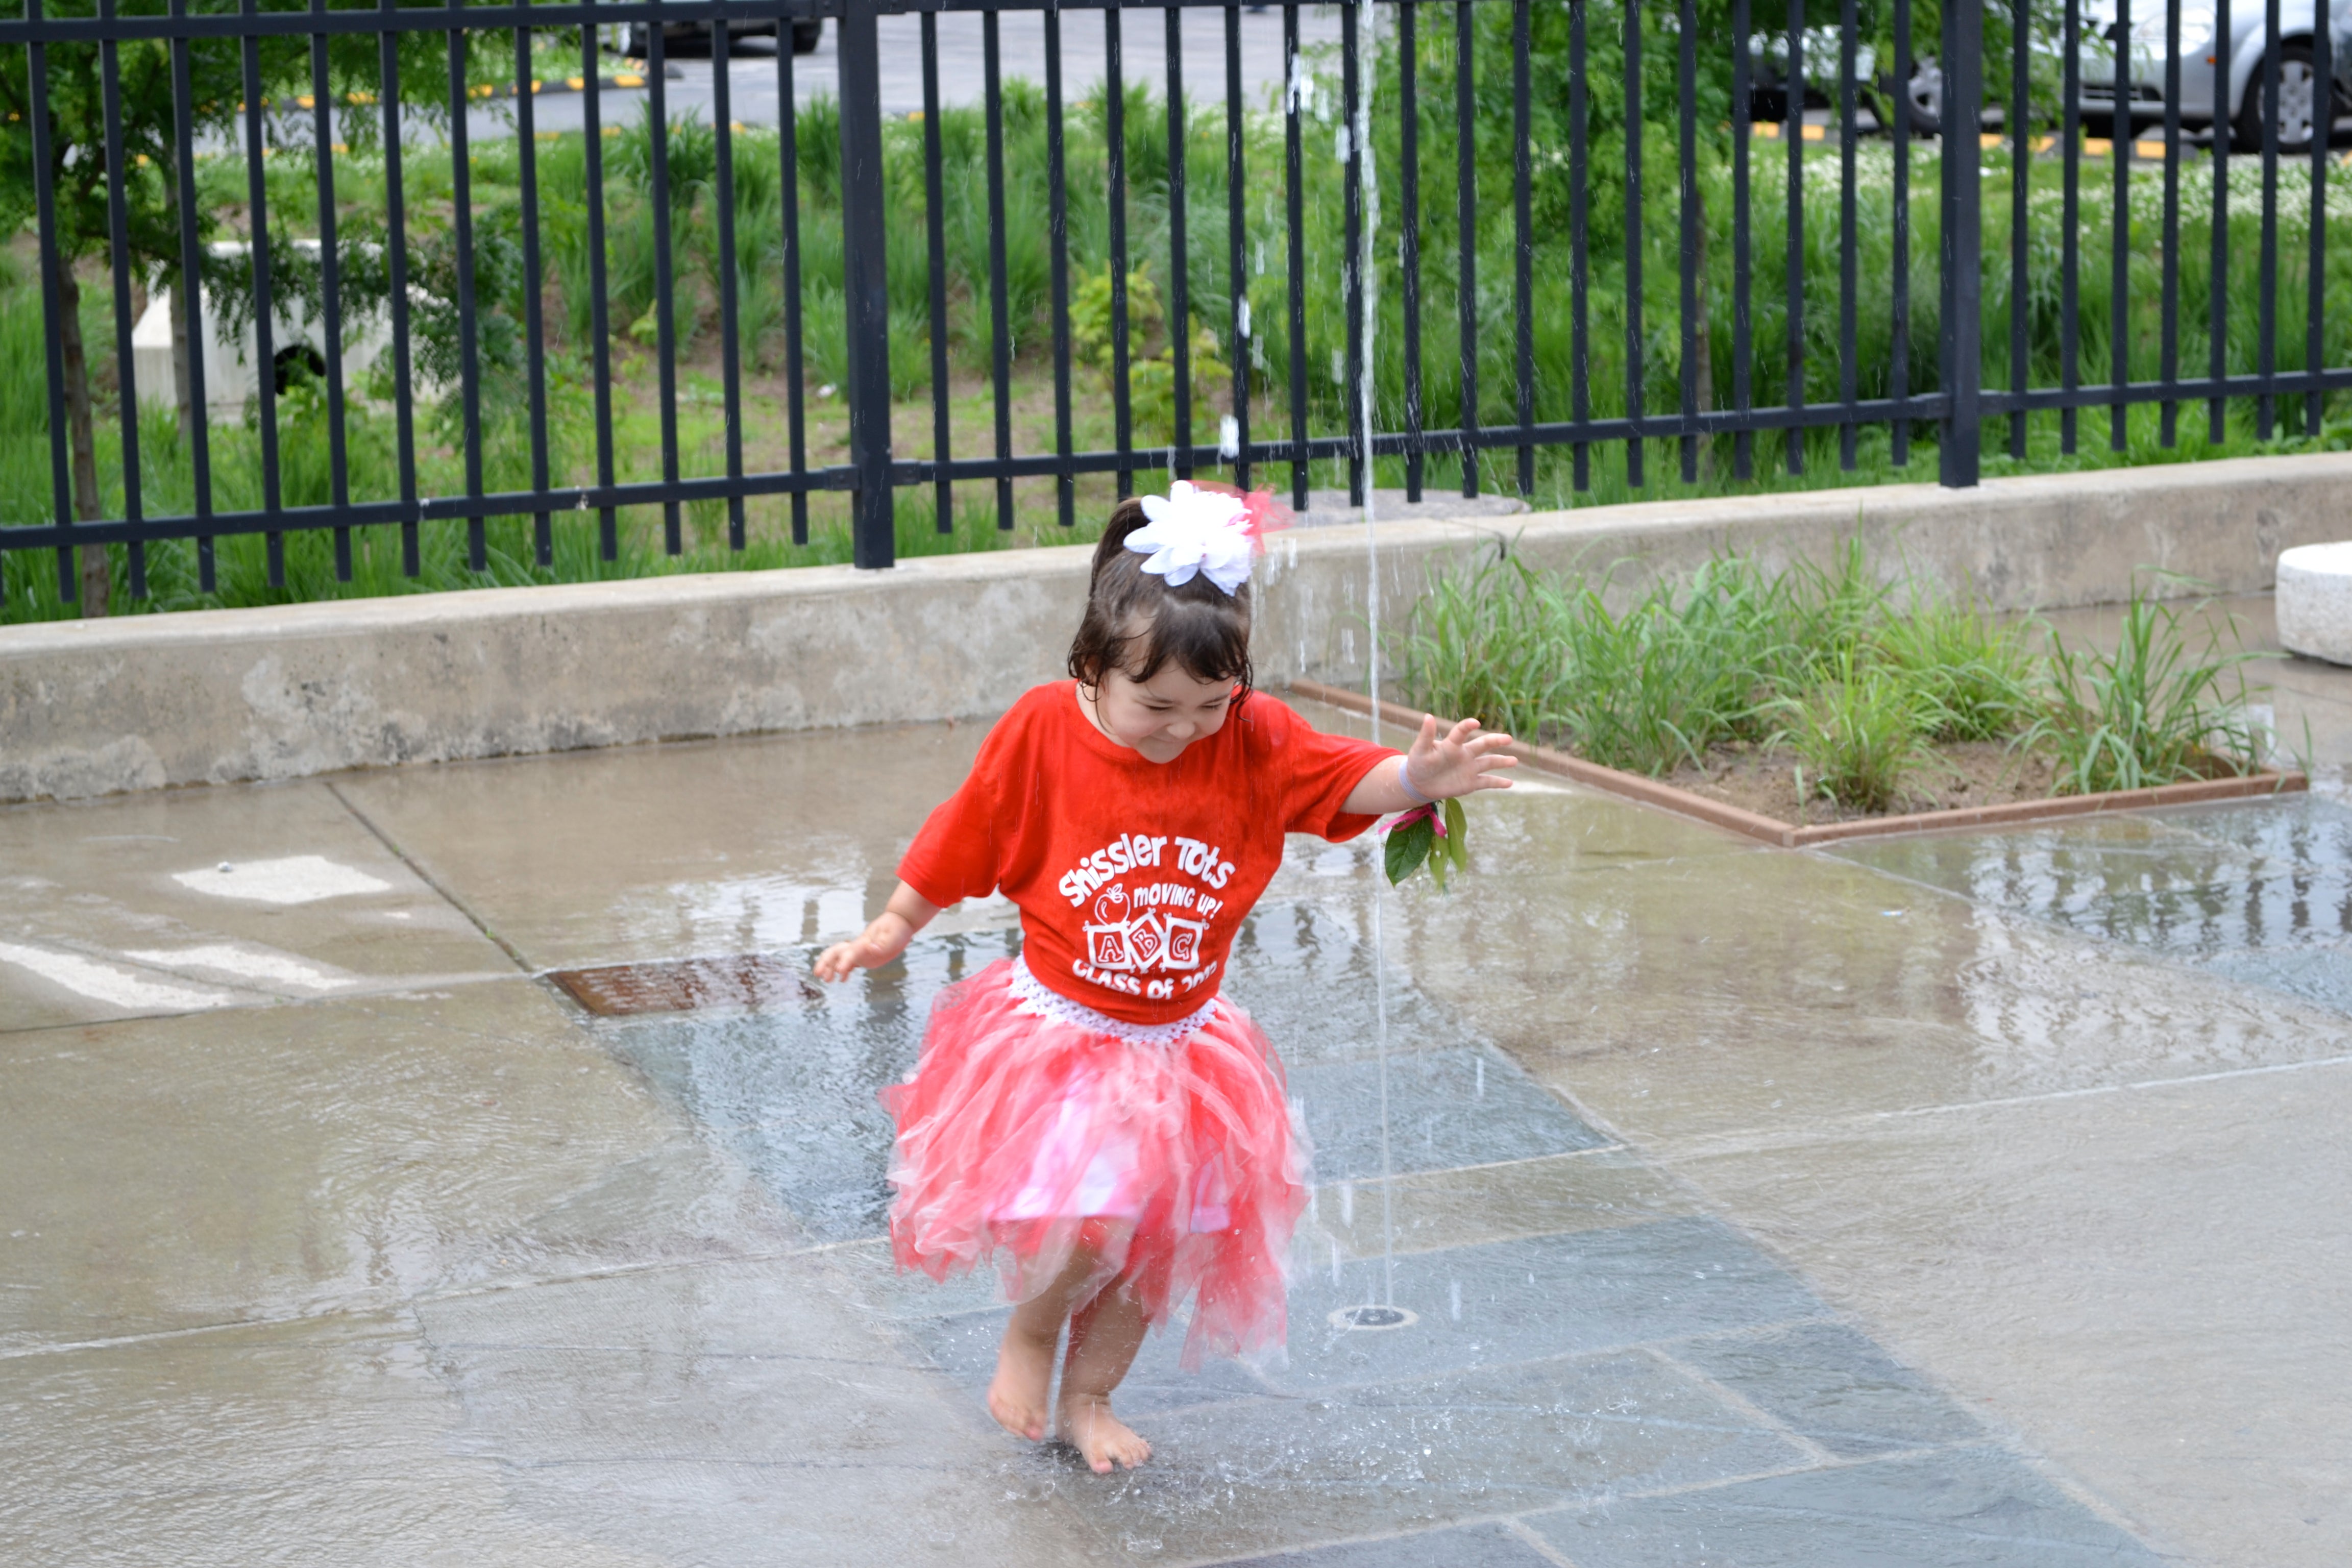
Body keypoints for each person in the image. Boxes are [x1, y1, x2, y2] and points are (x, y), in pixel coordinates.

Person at [813, 482, 1515, 1474]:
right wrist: (895, 922)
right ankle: (1029, 1331)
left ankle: (1090, 1397)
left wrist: (1416, 782)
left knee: (1159, 1246)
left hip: (1183, 1049)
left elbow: (1335, 779)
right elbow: (971, 826)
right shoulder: (1044, 731)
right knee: (1092, 1218)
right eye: (1155, 706)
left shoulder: (1252, 736)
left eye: (1209, 707)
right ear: (1092, 665)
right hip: (1064, 1035)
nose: (1183, 729)